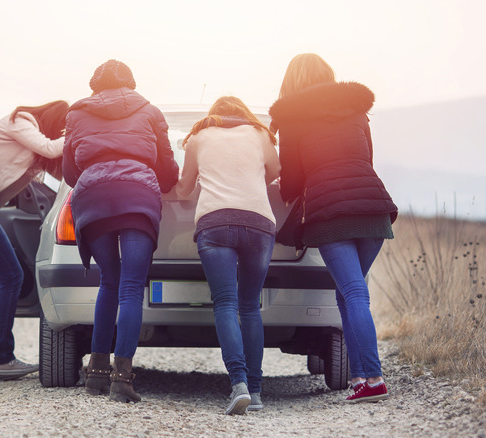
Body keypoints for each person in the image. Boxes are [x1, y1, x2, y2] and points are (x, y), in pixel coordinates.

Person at [269, 53, 398, 403]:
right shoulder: (356, 111)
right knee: (347, 293)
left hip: (331, 215)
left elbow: (293, 182)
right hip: (374, 210)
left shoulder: (293, 120)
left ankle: (373, 378)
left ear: (291, 83)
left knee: (354, 293)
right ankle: (359, 377)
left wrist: (283, 185)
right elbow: (365, 160)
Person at [63, 60, 179, 403]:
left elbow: (70, 170)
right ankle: (122, 379)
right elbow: (167, 168)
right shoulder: (149, 110)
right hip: (137, 196)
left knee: (108, 282)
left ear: (94, 85)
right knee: (130, 286)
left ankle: (96, 374)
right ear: (130, 83)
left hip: (92, 197)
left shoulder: (76, 112)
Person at [175, 96, 280, 415]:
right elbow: (275, 173)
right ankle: (257, 391)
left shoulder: (198, 137)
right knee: (250, 306)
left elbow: (183, 189)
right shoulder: (261, 135)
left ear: (213, 115)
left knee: (225, 303)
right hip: (259, 225)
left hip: (215, 223)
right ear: (243, 114)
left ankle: (239, 385)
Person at [0, 100, 69, 380]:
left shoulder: (30, 145)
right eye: (64, 125)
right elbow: (52, 147)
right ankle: (2, 358)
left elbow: (60, 170)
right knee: (11, 276)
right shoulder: (21, 121)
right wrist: (79, 130)